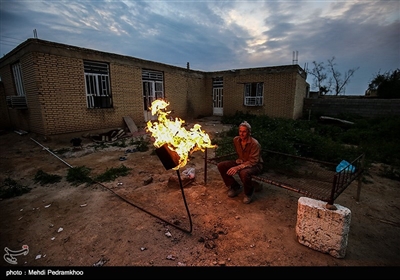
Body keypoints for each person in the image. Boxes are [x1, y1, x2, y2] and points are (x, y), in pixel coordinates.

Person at [217, 121, 263, 204]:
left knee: (243, 173)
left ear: (249, 132)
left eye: (244, 131)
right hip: (243, 162)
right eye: (240, 131)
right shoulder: (236, 140)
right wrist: (239, 160)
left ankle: (249, 192)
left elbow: (253, 161)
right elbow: (240, 153)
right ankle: (235, 186)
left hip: (255, 165)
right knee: (221, 165)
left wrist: (238, 167)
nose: (241, 134)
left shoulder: (254, 144)